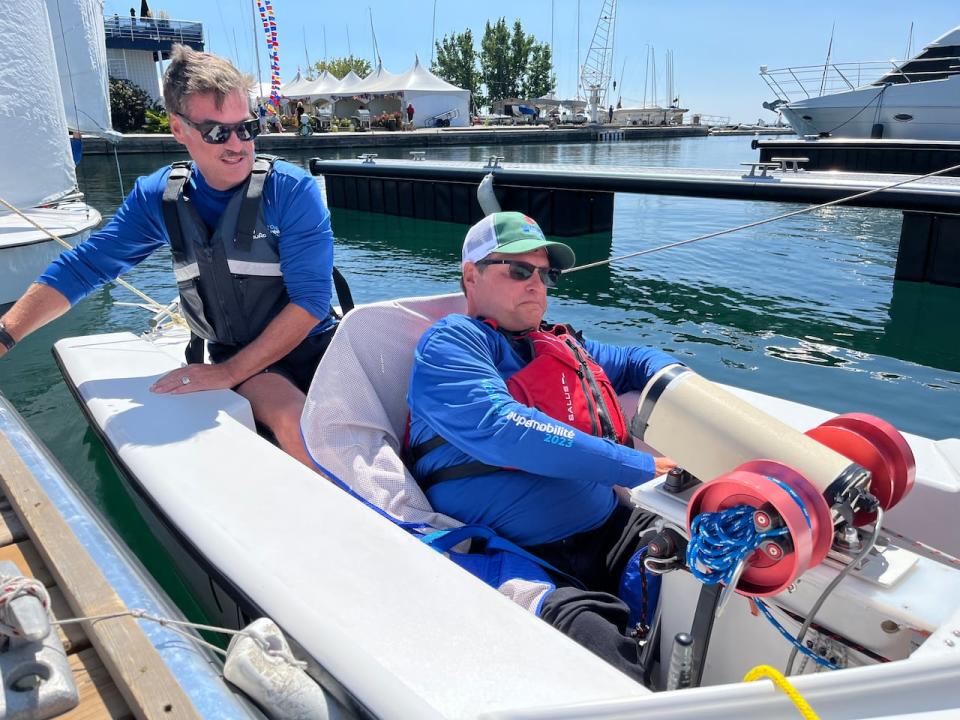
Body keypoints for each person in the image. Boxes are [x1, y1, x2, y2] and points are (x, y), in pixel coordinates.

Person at [0, 45, 337, 467]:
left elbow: (311, 302)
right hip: (243, 358)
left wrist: (226, 376)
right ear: (179, 130)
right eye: (217, 132)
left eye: (246, 128)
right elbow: (85, 267)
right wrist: (5, 334)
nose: (237, 145)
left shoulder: (293, 191)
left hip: (314, 345)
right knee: (292, 419)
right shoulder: (158, 198)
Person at [405, 211, 682, 681]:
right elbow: (503, 427)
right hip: (523, 559)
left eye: (545, 272)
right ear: (470, 275)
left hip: (613, 530)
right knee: (604, 660)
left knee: (722, 562)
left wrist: (687, 385)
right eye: (518, 270)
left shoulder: (555, 345)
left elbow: (637, 361)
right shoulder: (451, 344)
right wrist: (639, 467)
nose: (537, 283)